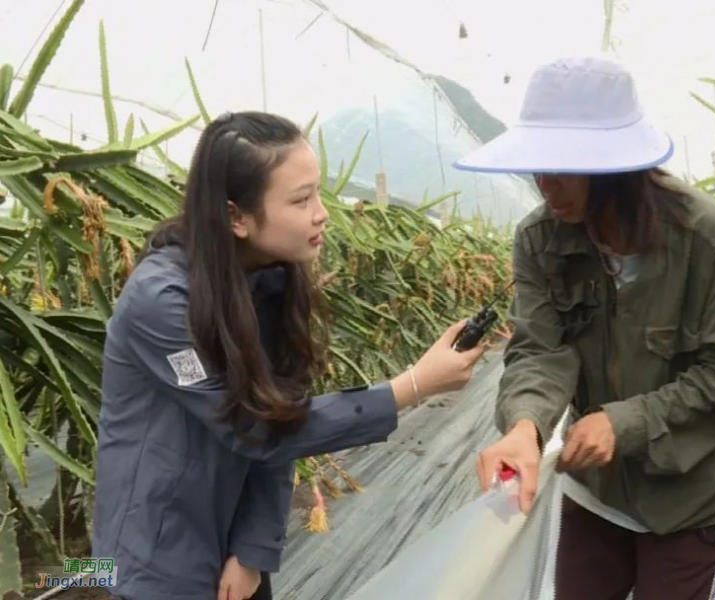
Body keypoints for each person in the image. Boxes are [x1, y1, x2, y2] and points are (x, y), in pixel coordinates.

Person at [91, 111, 486, 600]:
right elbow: (255, 426)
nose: (322, 213)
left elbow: (283, 413)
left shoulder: (273, 277)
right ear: (235, 216)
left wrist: (253, 549)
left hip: (234, 539)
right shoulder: (162, 302)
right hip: (158, 554)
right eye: (301, 200)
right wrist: (413, 385)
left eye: (317, 192)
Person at [456, 56, 715, 600]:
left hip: (685, 495)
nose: (545, 185)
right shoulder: (540, 241)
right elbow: (538, 351)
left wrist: (623, 423)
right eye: (536, 164)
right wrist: (525, 427)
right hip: (594, 491)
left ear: (616, 166)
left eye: (563, 165)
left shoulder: (707, 239)